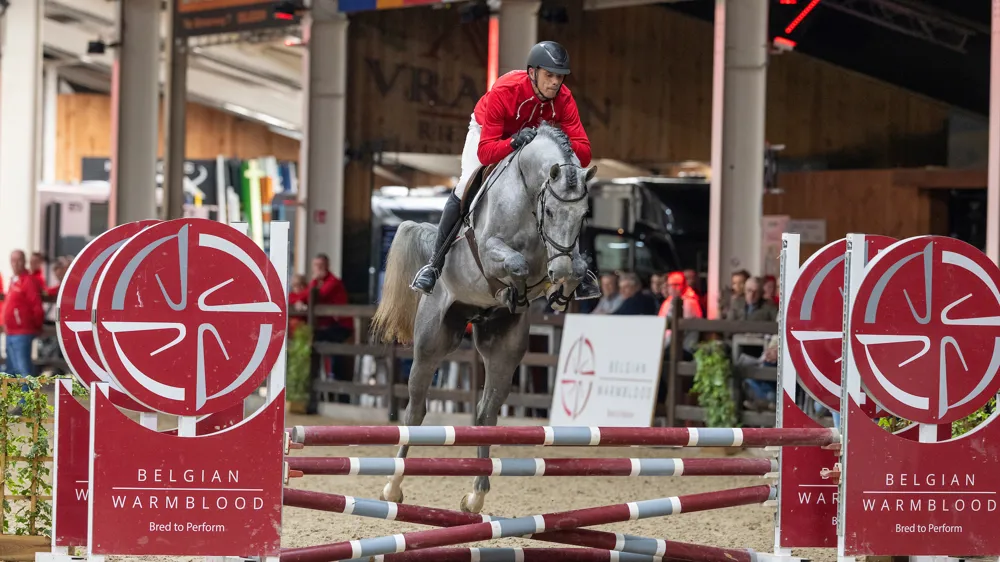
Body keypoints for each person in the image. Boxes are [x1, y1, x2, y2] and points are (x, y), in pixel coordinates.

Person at [408, 40, 600, 306]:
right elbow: (487, 152)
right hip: (489, 134)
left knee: (563, 195)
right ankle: (434, 264)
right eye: (549, 75)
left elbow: (585, 152)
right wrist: (512, 142)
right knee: (465, 184)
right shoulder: (507, 89)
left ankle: (575, 264)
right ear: (532, 73)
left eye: (559, 77)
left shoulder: (564, 98)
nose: (555, 82)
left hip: (530, 141)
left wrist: (558, 141)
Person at [2, 251, 44, 378]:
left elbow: (36, 306)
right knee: (11, 371)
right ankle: (12, 397)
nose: (15, 263)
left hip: (22, 332)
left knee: (23, 370)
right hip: (11, 332)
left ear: (24, 261)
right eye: (13, 260)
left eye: (18, 260)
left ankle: (26, 398)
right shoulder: (14, 281)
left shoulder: (28, 281)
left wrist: (36, 326)